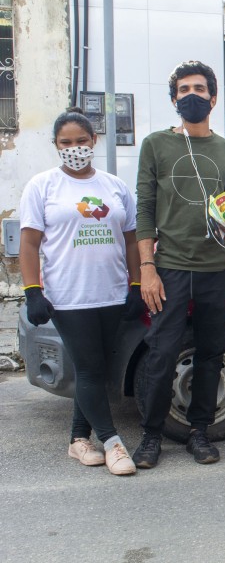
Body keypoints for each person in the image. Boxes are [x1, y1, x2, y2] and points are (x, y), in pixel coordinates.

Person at [18, 108, 142, 476]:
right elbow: (28, 245)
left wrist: (135, 284)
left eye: (81, 141)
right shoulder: (43, 186)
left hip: (112, 294)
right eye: (66, 143)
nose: (75, 148)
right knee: (88, 369)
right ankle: (113, 443)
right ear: (56, 146)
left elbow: (132, 240)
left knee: (98, 371)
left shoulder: (114, 186)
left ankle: (78, 439)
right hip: (69, 297)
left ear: (94, 141)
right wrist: (32, 291)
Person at [132, 61, 225, 468]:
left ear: (213, 98)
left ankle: (200, 432)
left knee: (211, 352)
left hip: (215, 266)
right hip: (171, 267)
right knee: (161, 354)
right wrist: (147, 268)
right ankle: (150, 436)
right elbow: (144, 209)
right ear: (174, 99)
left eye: (200, 89)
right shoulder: (156, 145)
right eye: (183, 90)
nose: (192, 95)